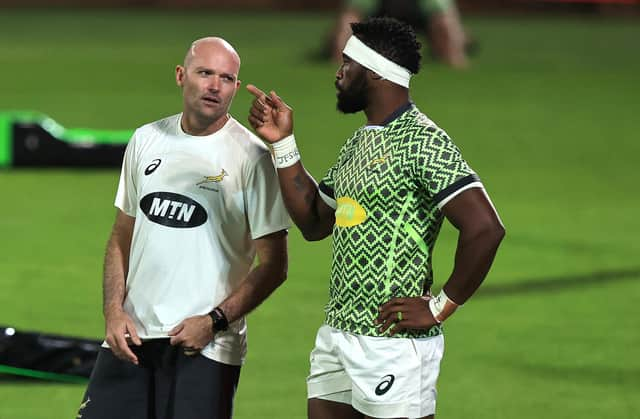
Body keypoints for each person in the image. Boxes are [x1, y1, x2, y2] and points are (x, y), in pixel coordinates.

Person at [247, 17, 504, 419]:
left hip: (394, 344)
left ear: (374, 73)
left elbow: (486, 228)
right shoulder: (359, 142)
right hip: (337, 333)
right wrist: (283, 144)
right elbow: (315, 222)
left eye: (347, 64)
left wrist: (439, 307)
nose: (338, 73)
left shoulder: (424, 141)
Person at [76, 37, 290, 419]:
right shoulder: (146, 140)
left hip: (204, 348)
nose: (214, 86)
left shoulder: (252, 158)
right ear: (181, 75)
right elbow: (120, 237)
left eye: (226, 78)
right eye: (205, 73)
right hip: (132, 338)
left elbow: (275, 265)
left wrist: (213, 323)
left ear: (236, 88)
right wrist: (113, 311)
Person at [329, 0, 471, 68]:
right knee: (347, 25)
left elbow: (446, 23)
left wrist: (455, 53)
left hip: (420, 18)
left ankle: (462, 42)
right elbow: (349, 22)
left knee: (446, 32)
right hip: (379, 16)